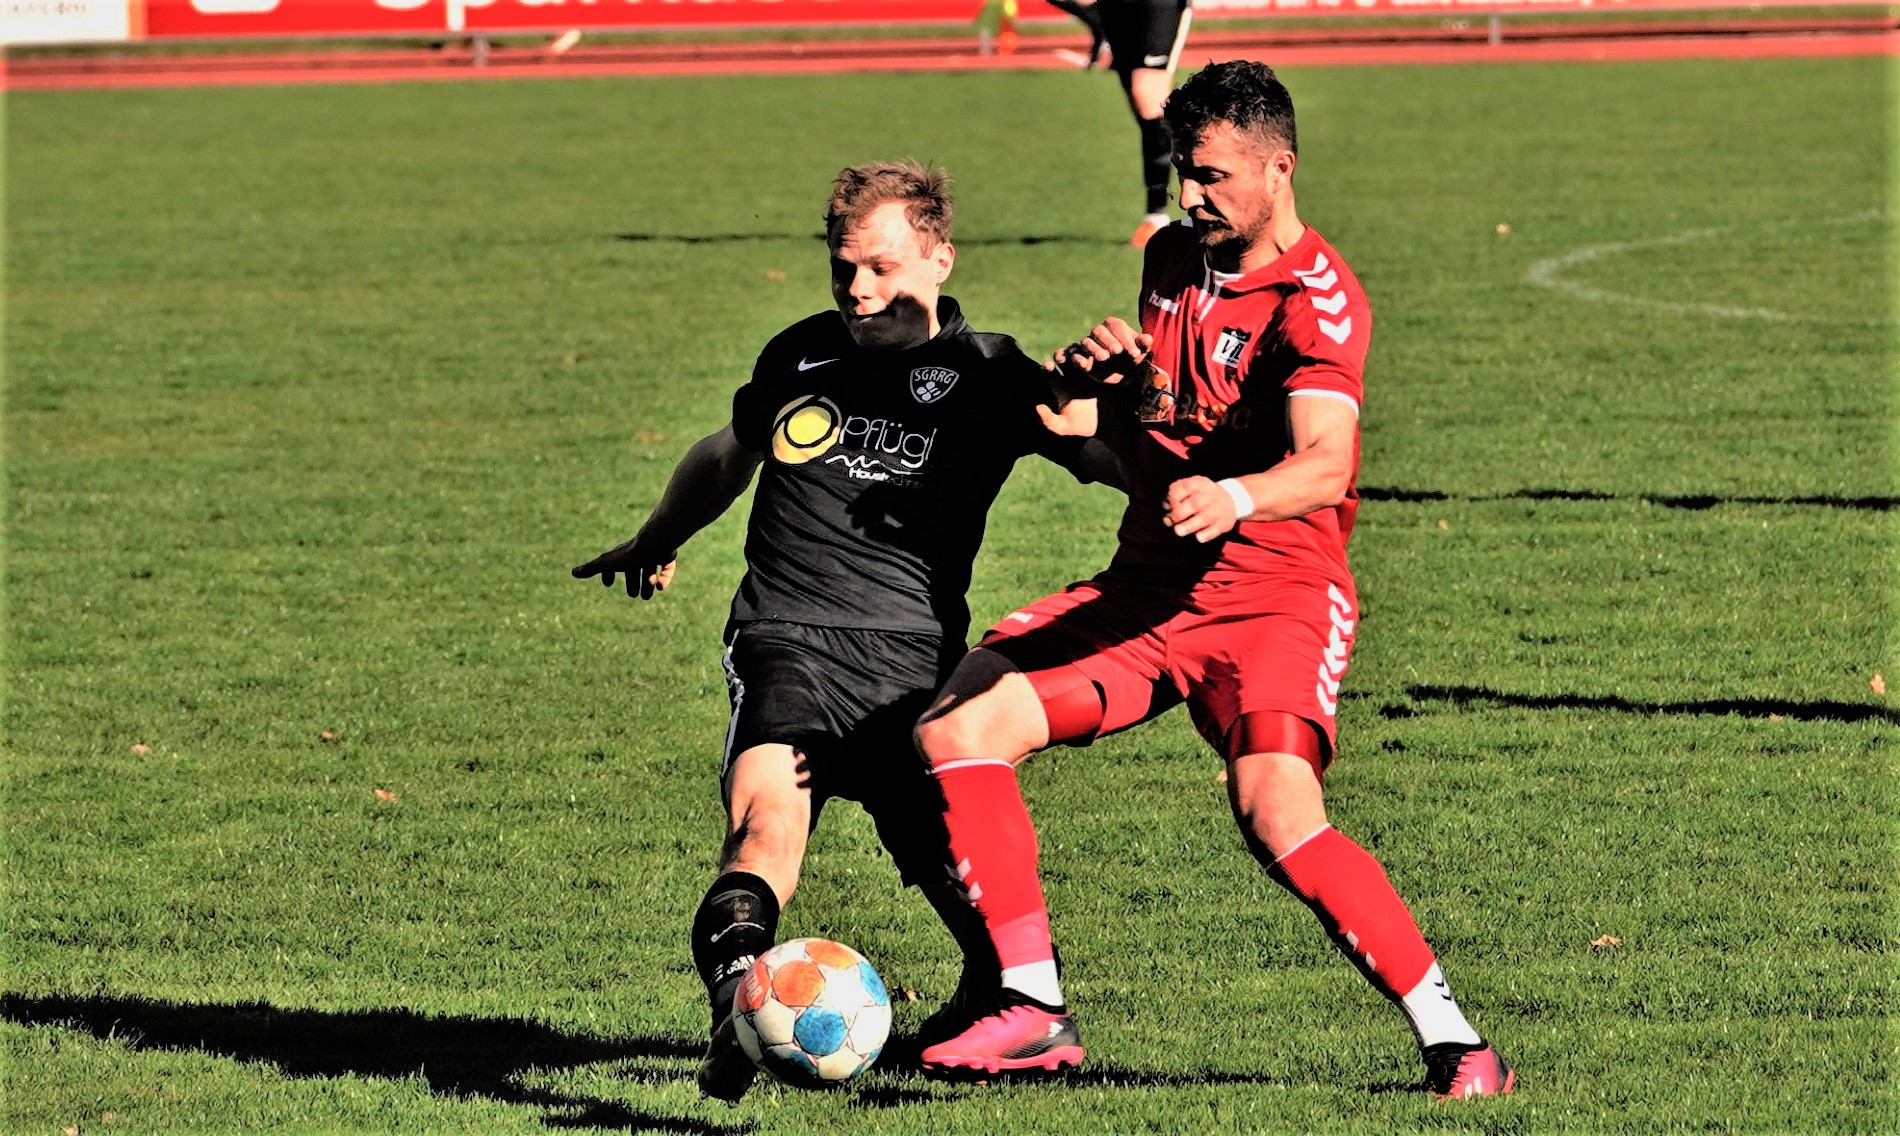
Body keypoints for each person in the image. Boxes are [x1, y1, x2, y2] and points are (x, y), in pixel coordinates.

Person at [909, 62, 1517, 1098]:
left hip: (1276, 596)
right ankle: (1033, 1005)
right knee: (958, 724)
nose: (1190, 194)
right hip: (1150, 589)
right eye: (1182, 172)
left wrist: (1235, 496)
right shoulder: (1171, 257)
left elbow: (1324, 462)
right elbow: (1142, 419)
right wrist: (1098, 386)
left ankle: (1458, 1043)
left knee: (1276, 810)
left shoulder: (1318, 303)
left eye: (1212, 175)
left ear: (1279, 168)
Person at [571, 160, 1120, 1104]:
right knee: (763, 830)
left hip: (916, 666)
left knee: (970, 889)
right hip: (787, 635)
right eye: (843, 268)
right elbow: (726, 455)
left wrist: (1127, 406)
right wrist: (657, 537)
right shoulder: (800, 353)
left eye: (881, 267)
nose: (858, 290)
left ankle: (1000, 1005)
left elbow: (1117, 464)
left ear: (941, 258)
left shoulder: (995, 375)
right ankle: (740, 1007)